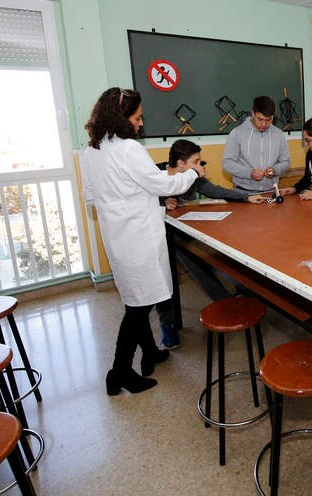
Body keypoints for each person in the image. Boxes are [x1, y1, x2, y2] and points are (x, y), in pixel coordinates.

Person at [81, 87, 204, 395]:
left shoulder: (91, 151)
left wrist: (122, 202)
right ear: (122, 118)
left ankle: (150, 352)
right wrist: (191, 174)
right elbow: (161, 184)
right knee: (139, 306)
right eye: (137, 117)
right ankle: (119, 371)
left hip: (118, 237)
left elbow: (91, 196)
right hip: (138, 237)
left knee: (136, 297)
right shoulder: (128, 149)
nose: (140, 122)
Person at [154, 139, 264, 349]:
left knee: (222, 246)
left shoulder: (193, 176)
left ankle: (237, 294)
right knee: (167, 277)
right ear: (181, 163)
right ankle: (168, 324)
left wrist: (247, 197)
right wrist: (160, 202)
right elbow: (137, 198)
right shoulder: (153, 174)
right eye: (196, 161)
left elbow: (217, 191)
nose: (200, 166)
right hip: (159, 235)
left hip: (188, 227)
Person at [222, 95, 291, 195]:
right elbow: (227, 163)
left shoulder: (278, 134)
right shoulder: (237, 133)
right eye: (260, 119)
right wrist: (249, 172)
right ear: (253, 113)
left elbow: (286, 162)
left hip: (270, 192)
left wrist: (275, 170)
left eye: (268, 120)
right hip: (243, 193)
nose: (264, 124)